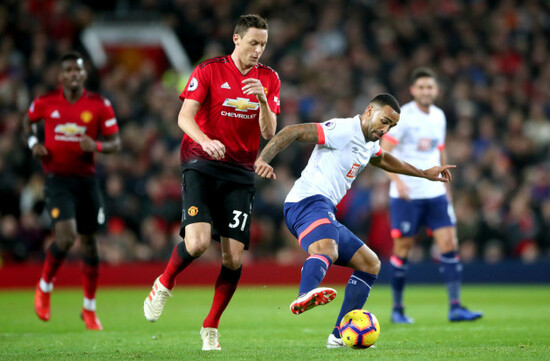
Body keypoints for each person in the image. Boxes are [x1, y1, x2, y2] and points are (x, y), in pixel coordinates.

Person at [254, 93, 455, 348]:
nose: (385, 129)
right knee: (328, 248)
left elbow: (383, 159)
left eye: (391, 126)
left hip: (324, 209)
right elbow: (294, 131)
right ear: (369, 110)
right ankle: (304, 295)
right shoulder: (343, 129)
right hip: (306, 202)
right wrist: (263, 159)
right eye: (384, 121)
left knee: (370, 264)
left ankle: (338, 335)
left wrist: (423, 174)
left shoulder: (369, 142)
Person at [143, 14, 280, 351]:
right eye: (253, 43)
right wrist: (205, 141)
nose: (258, 50)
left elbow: (268, 133)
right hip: (201, 162)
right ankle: (164, 282)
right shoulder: (209, 70)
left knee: (233, 259)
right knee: (199, 242)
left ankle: (211, 326)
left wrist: (263, 99)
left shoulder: (269, 79)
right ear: (236, 39)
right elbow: (184, 117)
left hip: (239, 171)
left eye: (263, 44)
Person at [24, 51, 121, 330]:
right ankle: (44, 287)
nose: (73, 74)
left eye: (78, 70)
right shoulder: (45, 102)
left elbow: (115, 142)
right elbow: (26, 122)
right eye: (68, 70)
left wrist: (98, 147)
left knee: (90, 244)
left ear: (84, 74)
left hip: (87, 181)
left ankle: (89, 309)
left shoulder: (100, 105)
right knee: (66, 238)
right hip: (57, 180)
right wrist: (33, 143)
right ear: (60, 76)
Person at [380, 67, 482, 323]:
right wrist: (397, 182)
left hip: (435, 193)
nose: (426, 91)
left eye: (430, 87)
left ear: (436, 90)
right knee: (402, 249)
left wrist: (447, 190)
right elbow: (383, 150)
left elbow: (440, 153)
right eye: (421, 87)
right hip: (406, 195)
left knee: (449, 244)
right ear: (414, 90)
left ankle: (456, 307)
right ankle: (397, 309)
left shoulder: (439, 116)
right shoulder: (403, 116)